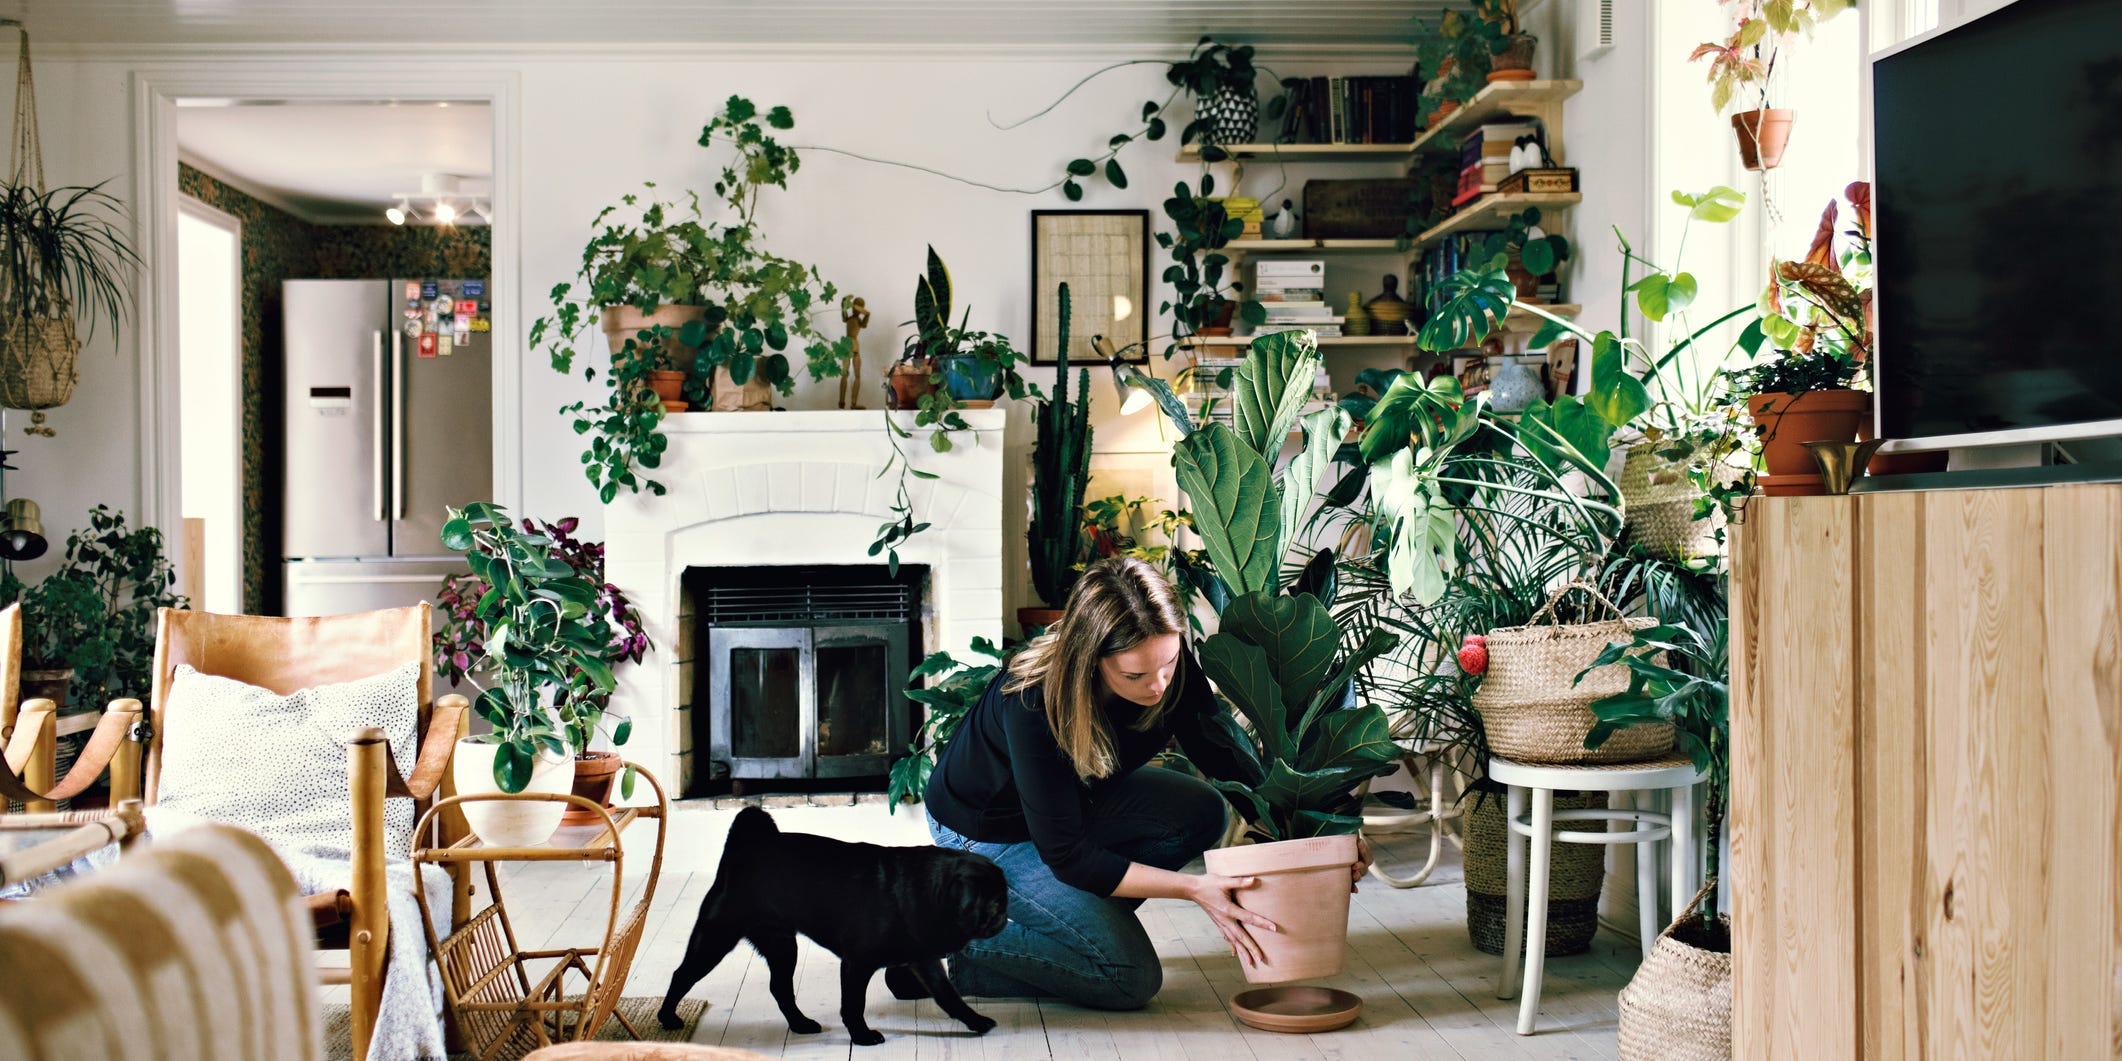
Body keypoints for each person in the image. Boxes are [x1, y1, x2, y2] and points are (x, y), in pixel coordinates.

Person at [917, 556, 1369, 1010]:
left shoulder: (1163, 661)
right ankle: (935, 947)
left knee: (1202, 812)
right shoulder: (1034, 700)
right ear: (1090, 658)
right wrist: (1195, 889)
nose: (1158, 685)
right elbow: (1068, 856)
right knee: (1128, 976)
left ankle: (1074, 928)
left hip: (1073, 805)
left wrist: (1322, 837)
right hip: (984, 835)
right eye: (1135, 675)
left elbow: (1220, 755)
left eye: (1169, 663)